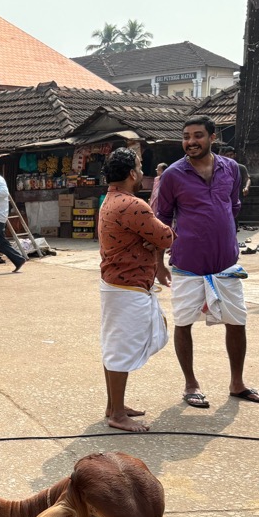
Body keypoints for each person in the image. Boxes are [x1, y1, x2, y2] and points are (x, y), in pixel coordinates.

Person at [154, 115, 259, 409]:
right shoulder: (173, 175)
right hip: (186, 263)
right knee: (184, 322)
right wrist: (157, 263)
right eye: (187, 136)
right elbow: (161, 221)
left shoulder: (231, 169)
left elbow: (233, 206)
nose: (191, 141)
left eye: (198, 135)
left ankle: (237, 383)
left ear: (212, 137)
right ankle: (191, 384)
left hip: (226, 263)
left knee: (237, 321)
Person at [97, 148, 175, 432]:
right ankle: (117, 413)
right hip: (127, 286)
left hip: (118, 283)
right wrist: (155, 240)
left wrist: (150, 242)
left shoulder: (111, 200)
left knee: (115, 346)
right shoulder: (133, 205)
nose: (142, 171)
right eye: (140, 166)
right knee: (122, 348)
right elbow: (165, 237)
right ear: (132, 173)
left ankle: (114, 405)